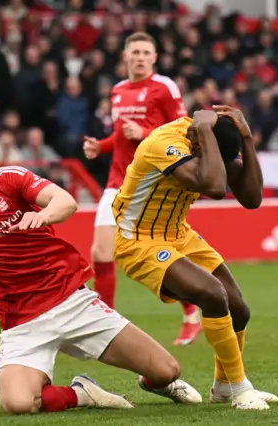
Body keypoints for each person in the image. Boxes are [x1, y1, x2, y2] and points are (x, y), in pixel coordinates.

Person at [0, 143, 201, 414]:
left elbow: (65, 201)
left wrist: (44, 216)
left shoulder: (6, 178)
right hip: (21, 323)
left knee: (167, 371)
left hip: (71, 301)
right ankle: (82, 393)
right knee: (17, 403)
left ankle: (153, 382)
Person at [111, 105, 278, 410]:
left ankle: (224, 387)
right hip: (138, 240)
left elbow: (252, 199)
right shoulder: (165, 143)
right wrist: (203, 130)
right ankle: (241, 389)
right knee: (213, 294)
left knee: (239, 309)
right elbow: (214, 186)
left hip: (178, 233)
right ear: (198, 141)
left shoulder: (215, 139)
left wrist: (248, 139)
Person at [83, 31, 201, 346]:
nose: (139, 56)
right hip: (117, 180)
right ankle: (104, 322)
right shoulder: (118, 90)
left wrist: (145, 131)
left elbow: (184, 130)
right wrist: (102, 146)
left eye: (145, 52)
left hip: (150, 182)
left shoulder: (164, 87)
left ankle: (191, 313)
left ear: (154, 58)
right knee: (101, 251)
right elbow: (123, 137)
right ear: (125, 56)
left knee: (154, 258)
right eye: (134, 51)